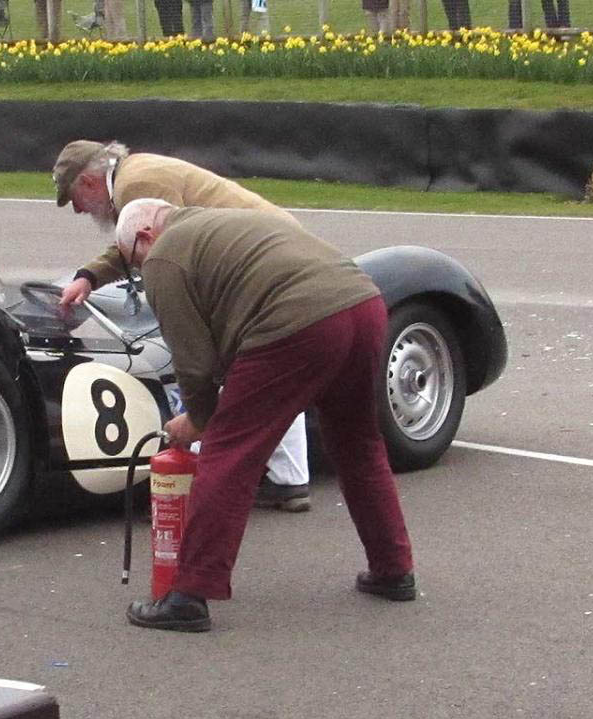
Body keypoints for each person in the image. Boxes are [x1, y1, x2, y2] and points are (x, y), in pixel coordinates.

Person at [114, 198, 416, 632]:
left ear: (145, 236)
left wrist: (198, 419)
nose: (140, 270)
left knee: (229, 453)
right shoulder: (215, 220)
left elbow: (193, 362)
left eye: (133, 261)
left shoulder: (163, 256)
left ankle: (189, 595)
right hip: (363, 303)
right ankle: (393, 569)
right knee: (359, 444)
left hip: (297, 320)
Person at [52, 139, 311, 511]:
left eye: (74, 197)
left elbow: (162, 245)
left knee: (232, 362)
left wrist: (195, 412)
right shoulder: (135, 172)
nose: (78, 209)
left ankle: (200, 478)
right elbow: (138, 241)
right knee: (273, 364)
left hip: (258, 261)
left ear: (89, 182)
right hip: (273, 251)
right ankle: (287, 479)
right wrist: (89, 276)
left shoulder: (135, 185)